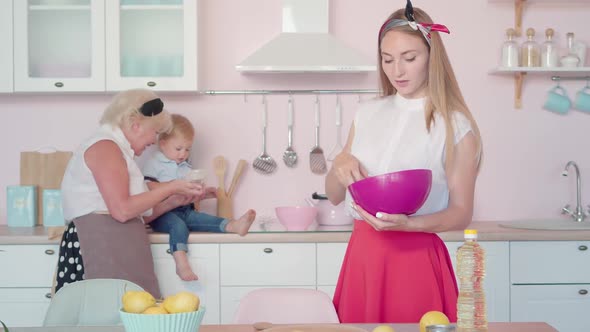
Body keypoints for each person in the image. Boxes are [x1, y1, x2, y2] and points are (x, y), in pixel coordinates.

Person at [325, 0, 482, 323]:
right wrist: (339, 163)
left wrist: (410, 225)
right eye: (387, 60)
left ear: (431, 57)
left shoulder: (455, 125)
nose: (397, 70)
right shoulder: (367, 114)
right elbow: (335, 195)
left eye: (409, 58)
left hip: (416, 260)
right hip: (363, 256)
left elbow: (461, 213)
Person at [56, 89, 203, 298]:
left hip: (116, 244)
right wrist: (171, 187)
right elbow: (122, 210)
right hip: (99, 245)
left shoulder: (117, 150)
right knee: (108, 316)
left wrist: (175, 199)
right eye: (155, 132)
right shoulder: (105, 147)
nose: (154, 140)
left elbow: (136, 212)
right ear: (136, 126)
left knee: (129, 317)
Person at [141, 114, 256, 281]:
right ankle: (181, 263)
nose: (183, 153)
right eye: (178, 148)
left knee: (204, 219)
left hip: (184, 209)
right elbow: (150, 186)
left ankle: (234, 226)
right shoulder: (154, 163)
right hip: (163, 213)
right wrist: (174, 185)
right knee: (178, 226)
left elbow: (188, 194)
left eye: (187, 149)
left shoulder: (186, 166)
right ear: (163, 144)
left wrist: (202, 194)